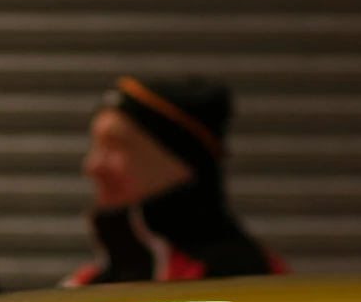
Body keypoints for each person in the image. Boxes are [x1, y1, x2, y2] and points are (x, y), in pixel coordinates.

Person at [69, 75, 280, 285]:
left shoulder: (241, 278)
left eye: (115, 145)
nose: (91, 166)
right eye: (96, 146)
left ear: (182, 164)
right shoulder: (93, 278)